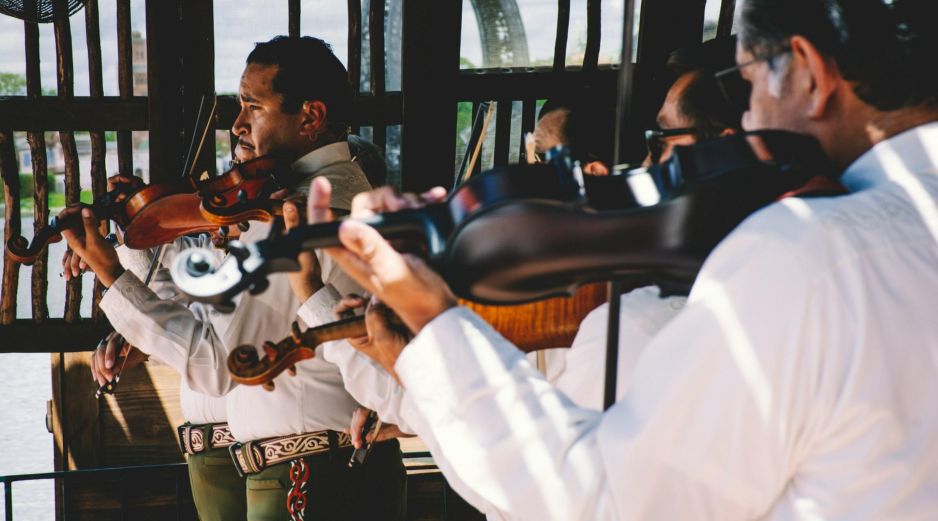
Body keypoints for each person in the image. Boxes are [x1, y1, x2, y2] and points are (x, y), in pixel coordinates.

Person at [307, 0, 938, 519]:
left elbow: (602, 502)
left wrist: (434, 323)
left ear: (807, 70)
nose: (748, 121)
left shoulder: (807, 250)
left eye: (746, 85)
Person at [60, 36, 405, 521]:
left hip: (309, 470)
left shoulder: (292, 212)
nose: (237, 124)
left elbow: (217, 364)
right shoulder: (330, 194)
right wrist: (136, 245)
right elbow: (204, 309)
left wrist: (111, 274)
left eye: (253, 107)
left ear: (310, 117)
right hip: (315, 464)